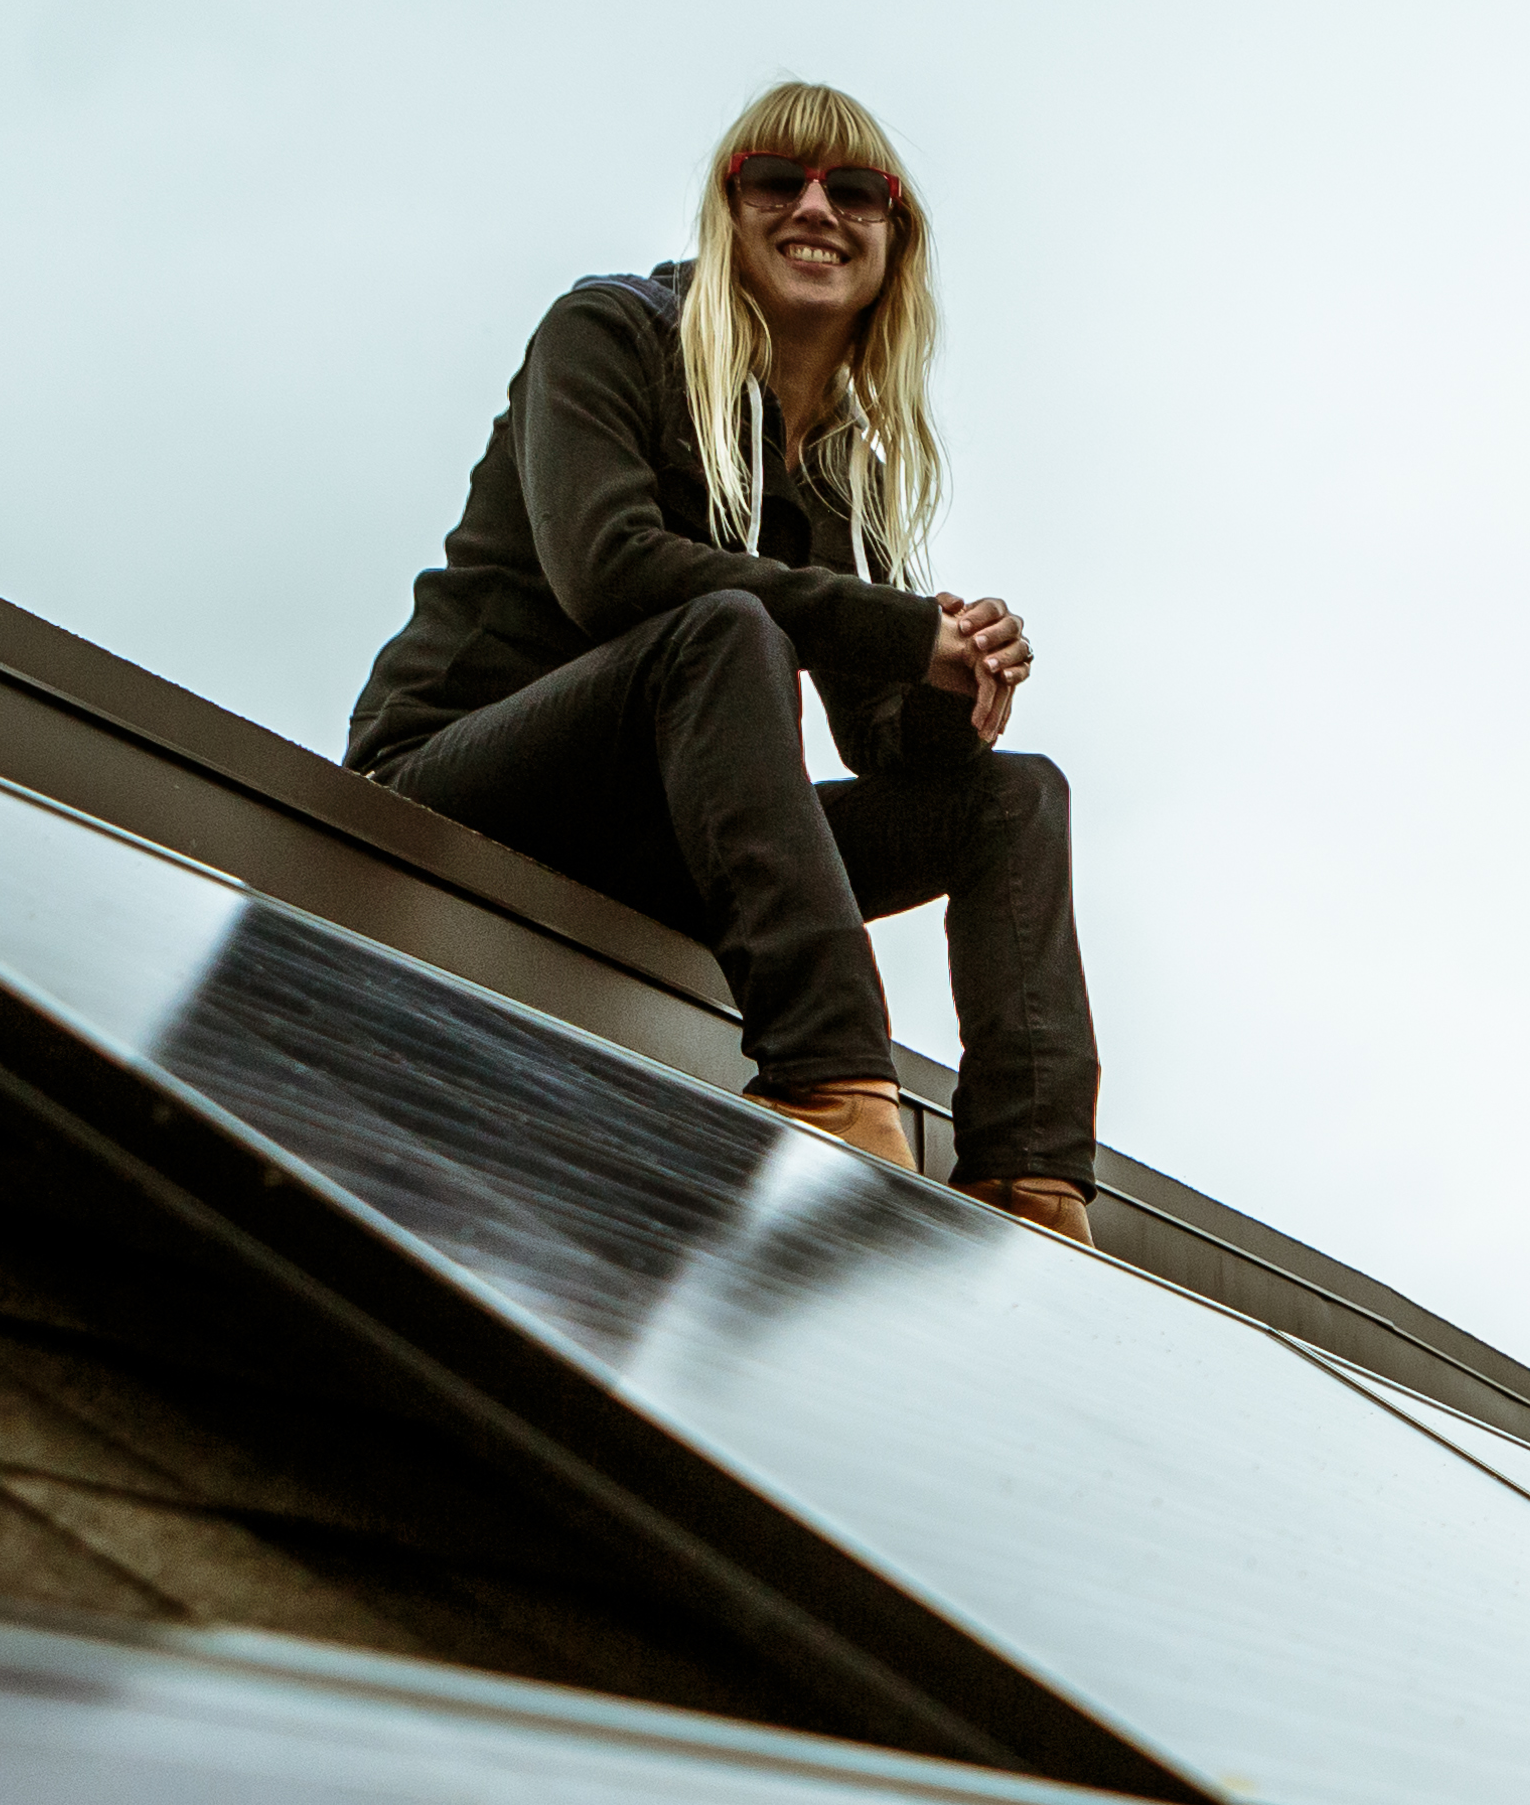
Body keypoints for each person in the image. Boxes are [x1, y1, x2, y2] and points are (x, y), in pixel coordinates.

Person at [347, 81, 1099, 1242]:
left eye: (855, 190)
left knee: (1017, 798)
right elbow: (612, 571)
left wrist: (960, 684)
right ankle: (833, 1085)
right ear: (726, 208)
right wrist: (900, 628)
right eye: (775, 181)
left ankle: (1030, 1183)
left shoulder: (840, 473)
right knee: (725, 632)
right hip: (457, 781)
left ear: (893, 241)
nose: (816, 208)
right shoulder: (607, 333)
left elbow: (884, 747)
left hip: (664, 842)